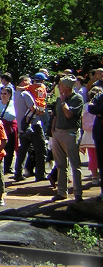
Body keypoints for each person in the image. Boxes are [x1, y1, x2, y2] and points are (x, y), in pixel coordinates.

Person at [51, 74, 84, 202]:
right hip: (58, 133)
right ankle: (61, 191)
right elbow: (55, 115)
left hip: (70, 133)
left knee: (75, 165)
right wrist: (53, 129)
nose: (59, 86)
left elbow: (69, 114)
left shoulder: (77, 99)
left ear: (67, 86)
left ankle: (78, 193)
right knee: (60, 164)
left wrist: (64, 101)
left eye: (61, 85)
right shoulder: (59, 99)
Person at [13, 75, 45, 182]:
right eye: (29, 81)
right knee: (40, 150)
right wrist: (40, 112)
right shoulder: (25, 94)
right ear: (23, 81)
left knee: (22, 151)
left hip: (22, 126)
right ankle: (40, 174)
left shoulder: (15, 94)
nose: (31, 83)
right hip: (33, 125)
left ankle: (18, 173)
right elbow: (33, 108)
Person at [0, 86, 17, 174]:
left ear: (9, 95)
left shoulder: (14, 103)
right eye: (1, 93)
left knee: (10, 149)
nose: (3, 95)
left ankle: (8, 167)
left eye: (5, 94)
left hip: (10, 130)